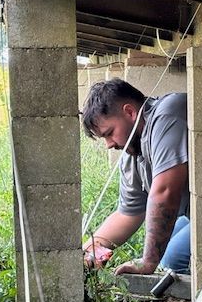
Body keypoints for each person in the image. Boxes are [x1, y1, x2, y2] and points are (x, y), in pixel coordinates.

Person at [80, 79, 190, 275]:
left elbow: (165, 193)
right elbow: (127, 214)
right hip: (196, 213)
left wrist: (148, 263)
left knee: (172, 259)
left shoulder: (168, 115)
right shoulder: (133, 153)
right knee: (166, 237)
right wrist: (85, 255)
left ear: (130, 112)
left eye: (110, 133)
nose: (109, 145)